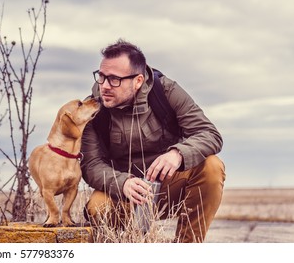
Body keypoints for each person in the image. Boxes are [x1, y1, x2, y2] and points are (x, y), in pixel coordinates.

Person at [80, 39, 226, 243]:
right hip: (124, 195)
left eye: (114, 79)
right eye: (101, 76)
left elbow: (210, 133)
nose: (104, 86)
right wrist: (123, 183)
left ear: (138, 80)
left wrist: (178, 153)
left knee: (212, 166)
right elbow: (91, 165)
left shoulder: (165, 91)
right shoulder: (93, 109)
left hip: (167, 188)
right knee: (96, 207)